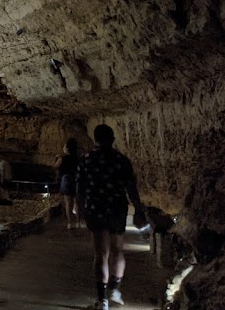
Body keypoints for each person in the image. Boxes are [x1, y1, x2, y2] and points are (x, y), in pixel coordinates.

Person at [76, 124, 147, 310]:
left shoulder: (86, 160)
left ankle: (102, 299)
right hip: (116, 208)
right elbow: (131, 187)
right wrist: (138, 209)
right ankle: (115, 290)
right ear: (113, 138)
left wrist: (79, 208)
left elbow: (80, 188)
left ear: (95, 139)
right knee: (117, 249)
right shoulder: (121, 160)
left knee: (100, 253)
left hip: (95, 208)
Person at [54, 138, 80, 229]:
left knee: (68, 203)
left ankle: (70, 223)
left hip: (67, 180)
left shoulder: (63, 158)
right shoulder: (78, 158)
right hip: (77, 180)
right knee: (77, 202)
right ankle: (78, 222)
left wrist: (57, 158)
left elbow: (55, 167)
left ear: (67, 148)